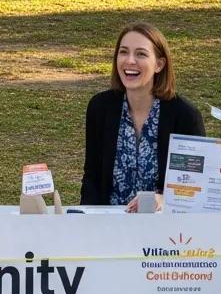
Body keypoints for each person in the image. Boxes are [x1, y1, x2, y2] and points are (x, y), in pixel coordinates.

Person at [79, 22, 204, 208]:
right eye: (123, 52)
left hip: (162, 226)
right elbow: (92, 176)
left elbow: (192, 184)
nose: (130, 60)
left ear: (159, 65)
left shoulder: (185, 115)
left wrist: (163, 199)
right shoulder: (100, 107)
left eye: (141, 54)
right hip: (109, 223)